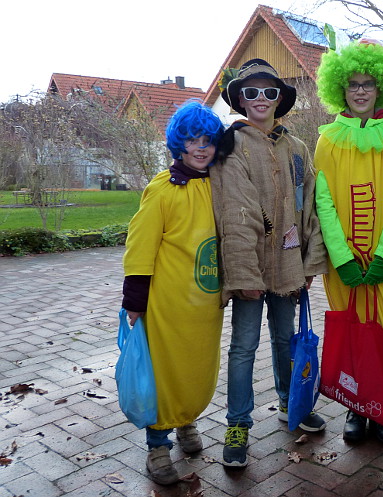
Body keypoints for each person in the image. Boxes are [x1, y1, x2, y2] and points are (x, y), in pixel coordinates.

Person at [211, 59, 328, 468]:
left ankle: (288, 401)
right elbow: (234, 212)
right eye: (252, 92)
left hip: (289, 266)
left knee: (285, 340)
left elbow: (308, 207)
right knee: (244, 347)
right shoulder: (231, 145)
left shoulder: (297, 147)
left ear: (281, 99)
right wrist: (244, 274)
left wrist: (308, 264)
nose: (261, 99)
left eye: (269, 92)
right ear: (240, 99)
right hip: (251, 269)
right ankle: (237, 424)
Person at [121, 100, 225, 485]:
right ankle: (158, 446)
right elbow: (141, 244)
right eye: (193, 140)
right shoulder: (162, 190)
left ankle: (186, 422)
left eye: (208, 141)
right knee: (165, 374)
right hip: (167, 305)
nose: (201, 148)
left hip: (206, 303)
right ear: (178, 143)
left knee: (195, 369)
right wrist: (135, 298)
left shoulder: (220, 186)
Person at [314, 39, 383, 444]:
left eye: (368, 84)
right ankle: (356, 407)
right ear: (340, 89)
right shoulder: (327, 141)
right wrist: (342, 257)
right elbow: (323, 203)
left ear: (381, 88)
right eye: (352, 84)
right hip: (346, 266)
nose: (359, 91)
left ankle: (382, 411)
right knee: (352, 330)